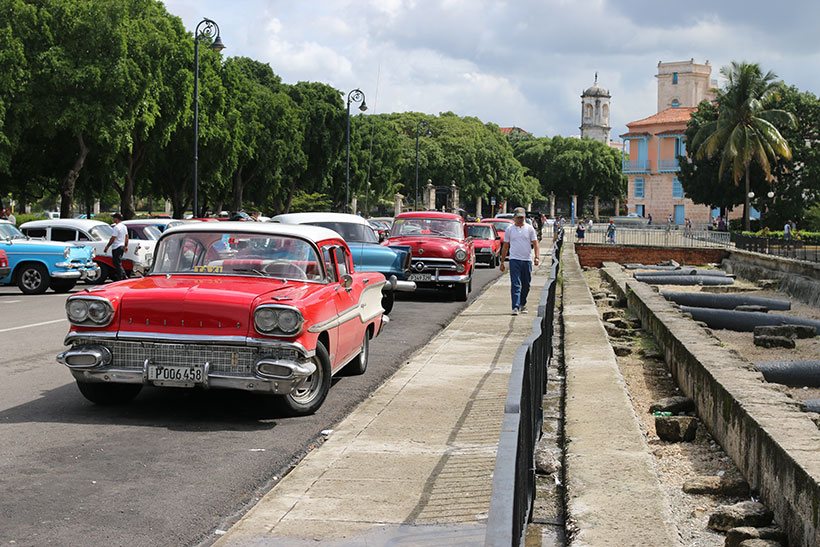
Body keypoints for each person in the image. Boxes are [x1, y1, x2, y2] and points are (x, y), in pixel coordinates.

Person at [499, 207, 540, 316]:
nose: (521, 219)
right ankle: (515, 306)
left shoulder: (530, 229)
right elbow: (505, 246)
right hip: (514, 260)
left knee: (526, 284)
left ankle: (523, 303)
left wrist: (537, 257)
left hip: (526, 260)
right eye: (518, 218)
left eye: (522, 217)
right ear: (514, 218)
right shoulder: (510, 229)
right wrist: (502, 262)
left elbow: (535, 243)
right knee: (516, 284)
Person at [104, 213, 129, 281]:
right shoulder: (124, 227)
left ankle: (122, 276)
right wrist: (126, 245)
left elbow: (113, 238)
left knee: (116, 262)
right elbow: (126, 237)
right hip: (121, 245)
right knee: (118, 262)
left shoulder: (116, 227)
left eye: (114, 218)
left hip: (117, 246)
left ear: (117, 219)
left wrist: (107, 246)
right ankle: (121, 275)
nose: (113, 219)